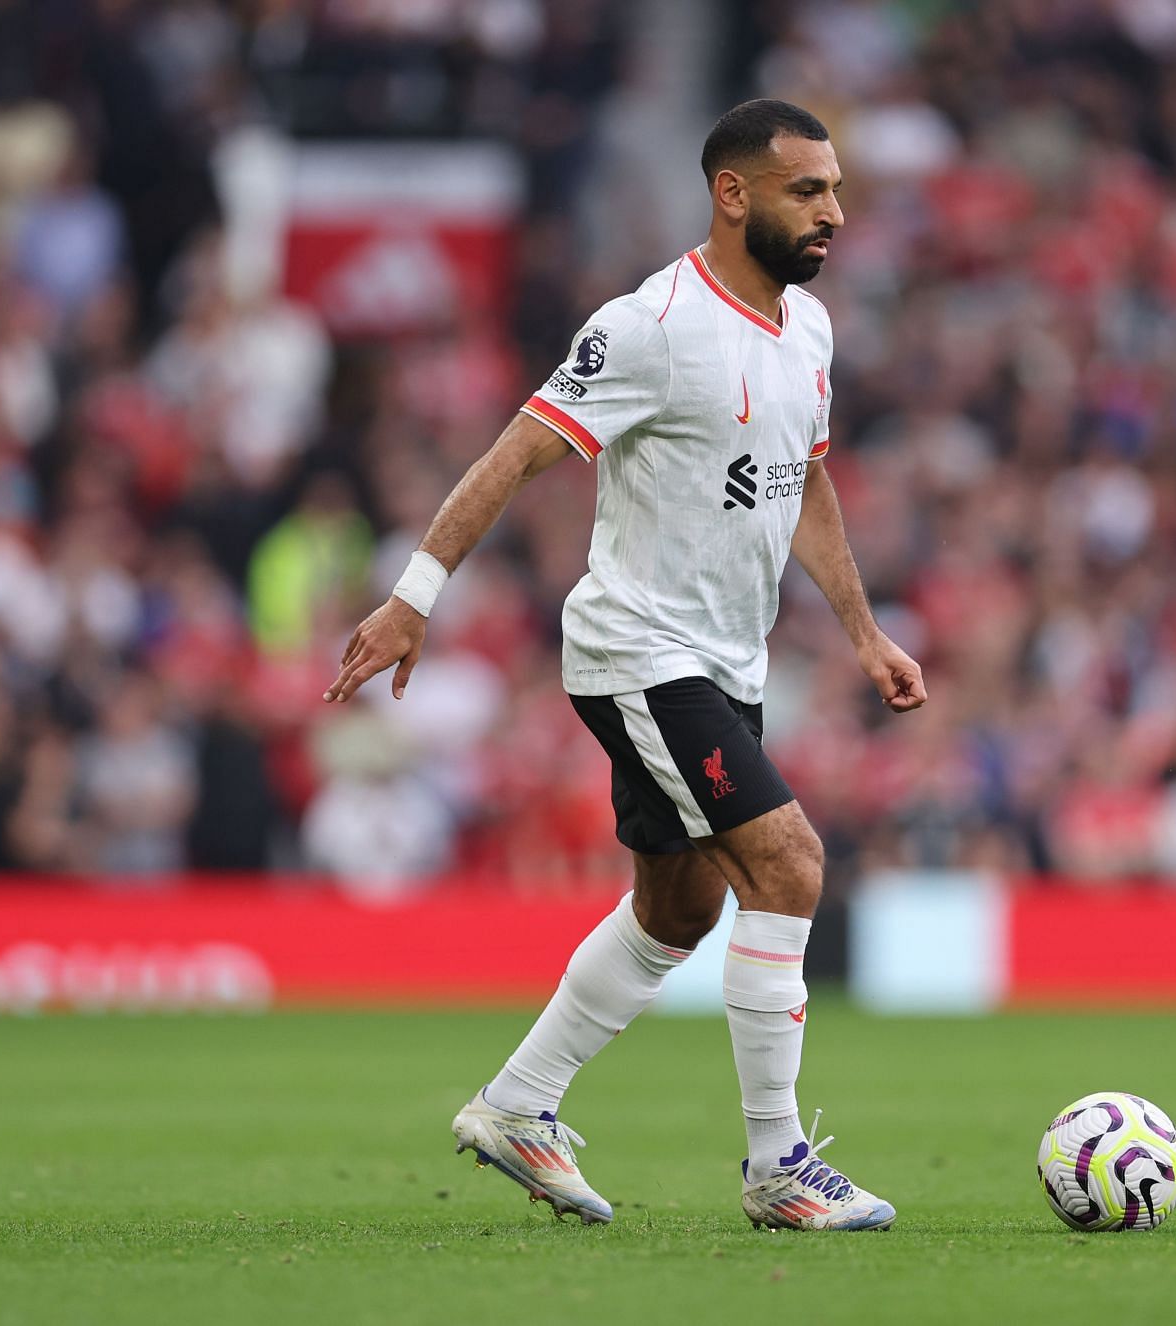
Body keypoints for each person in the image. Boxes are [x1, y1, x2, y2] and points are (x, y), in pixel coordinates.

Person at [324, 100, 926, 1231]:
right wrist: (414, 599)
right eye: (809, 191)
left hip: (724, 658)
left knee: (678, 910)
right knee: (789, 866)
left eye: (837, 190)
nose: (834, 212)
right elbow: (515, 453)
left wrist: (862, 630)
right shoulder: (648, 325)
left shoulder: (811, 332)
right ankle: (778, 1166)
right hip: (639, 651)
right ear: (733, 194)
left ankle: (518, 1105)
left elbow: (808, 485)